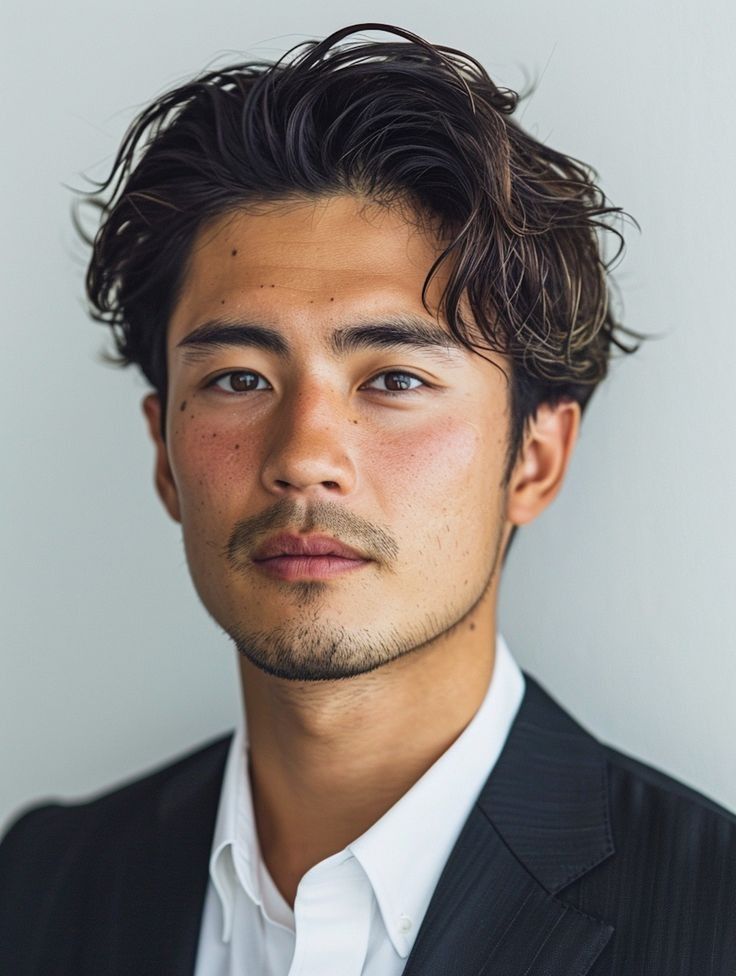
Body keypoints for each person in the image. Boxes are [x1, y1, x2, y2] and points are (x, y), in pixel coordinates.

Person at [1, 21, 734, 976]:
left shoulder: (711, 920)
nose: (305, 457)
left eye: (393, 379)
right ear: (164, 452)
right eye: (236, 378)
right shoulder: (41, 886)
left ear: (536, 459)